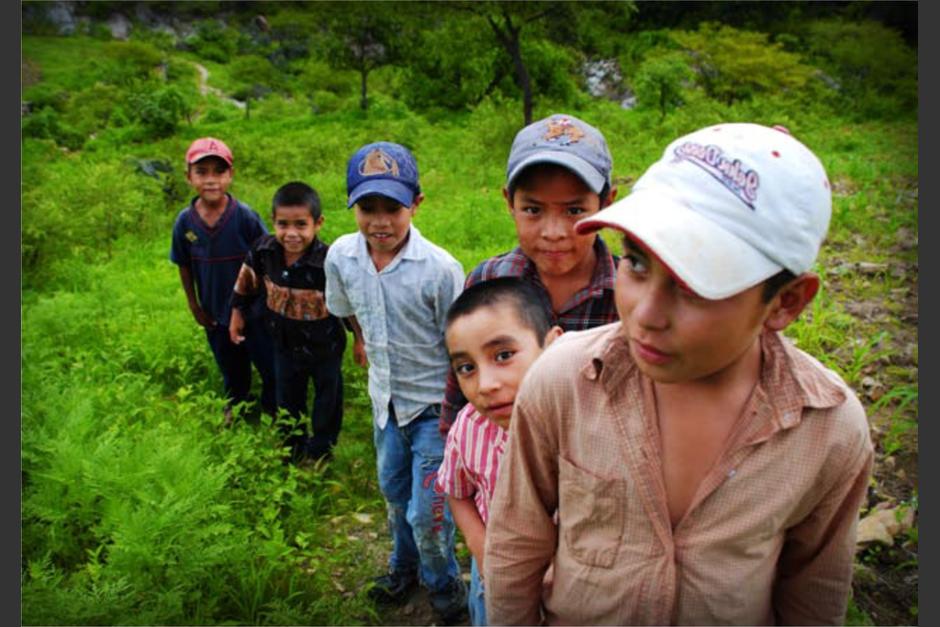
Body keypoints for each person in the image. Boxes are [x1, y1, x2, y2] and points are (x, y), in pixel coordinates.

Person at [484, 123, 875, 625]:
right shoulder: (562, 381)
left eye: (695, 285)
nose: (646, 314)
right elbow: (517, 541)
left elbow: (814, 589)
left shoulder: (829, 432)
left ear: (786, 301)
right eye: (638, 262)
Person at [324, 141, 468, 623]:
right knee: (394, 498)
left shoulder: (439, 270)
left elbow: (463, 345)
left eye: (393, 208)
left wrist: (459, 416)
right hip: (385, 406)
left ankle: (445, 587)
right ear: (352, 205)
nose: (379, 221)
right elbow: (348, 312)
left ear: (417, 204)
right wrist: (362, 341)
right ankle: (402, 569)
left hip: (434, 411)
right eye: (368, 208)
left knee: (429, 516)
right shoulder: (342, 257)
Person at [439, 113, 620, 436]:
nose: (553, 232)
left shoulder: (630, 295)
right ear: (509, 202)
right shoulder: (488, 281)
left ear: (606, 204)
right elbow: (458, 391)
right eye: (533, 210)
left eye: (574, 210)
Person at [435, 277, 562, 626]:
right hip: (493, 578)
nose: (485, 384)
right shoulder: (468, 427)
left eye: (503, 355)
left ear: (553, 346)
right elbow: (457, 492)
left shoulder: (585, 430)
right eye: (467, 368)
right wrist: (483, 550)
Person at [229, 181, 346, 463]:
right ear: (273, 222)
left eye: (300, 225)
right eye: (283, 224)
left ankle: (320, 451)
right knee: (287, 397)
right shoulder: (264, 251)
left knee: (327, 399)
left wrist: (361, 341)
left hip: (325, 346)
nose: (291, 233)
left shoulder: (329, 261)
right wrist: (237, 313)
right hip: (282, 342)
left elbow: (347, 303)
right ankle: (292, 448)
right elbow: (246, 281)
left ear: (318, 223)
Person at [170, 137, 275, 422]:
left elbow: (267, 257)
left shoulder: (244, 216)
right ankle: (237, 402)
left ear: (230, 174)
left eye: (219, 171)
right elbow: (184, 265)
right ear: (188, 177)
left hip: (253, 309)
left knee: (266, 360)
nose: (211, 180)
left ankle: (273, 406)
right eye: (202, 172)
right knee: (230, 363)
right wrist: (194, 305)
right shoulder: (185, 222)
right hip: (215, 309)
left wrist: (268, 301)